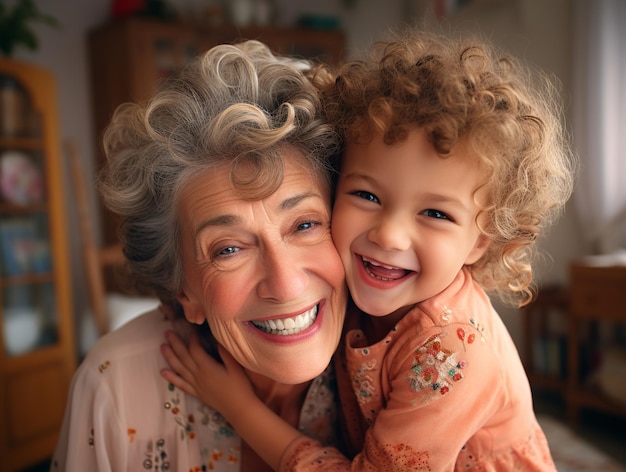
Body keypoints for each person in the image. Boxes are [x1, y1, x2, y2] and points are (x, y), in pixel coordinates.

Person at [161, 29, 576, 470]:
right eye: (368, 196)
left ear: (479, 242)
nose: (390, 236)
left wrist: (240, 409)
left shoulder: (453, 351)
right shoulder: (357, 286)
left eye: (436, 214)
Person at [50, 39, 348, 472]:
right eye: (228, 249)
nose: (286, 285)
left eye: (305, 225)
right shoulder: (114, 387)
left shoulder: (413, 355)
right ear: (183, 288)